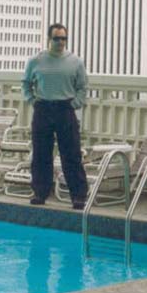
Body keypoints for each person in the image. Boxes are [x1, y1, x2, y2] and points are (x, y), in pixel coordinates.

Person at [22, 23, 88, 209]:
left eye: (64, 38)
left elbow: (82, 87)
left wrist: (75, 104)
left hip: (65, 109)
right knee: (41, 153)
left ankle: (78, 196)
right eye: (57, 38)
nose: (60, 42)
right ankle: (40, 193)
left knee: (71, 154)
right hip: (43, 108)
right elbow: (25, 84)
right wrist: (32, 101)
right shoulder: (35, 61)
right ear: (49, 39)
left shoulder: (76, 62)